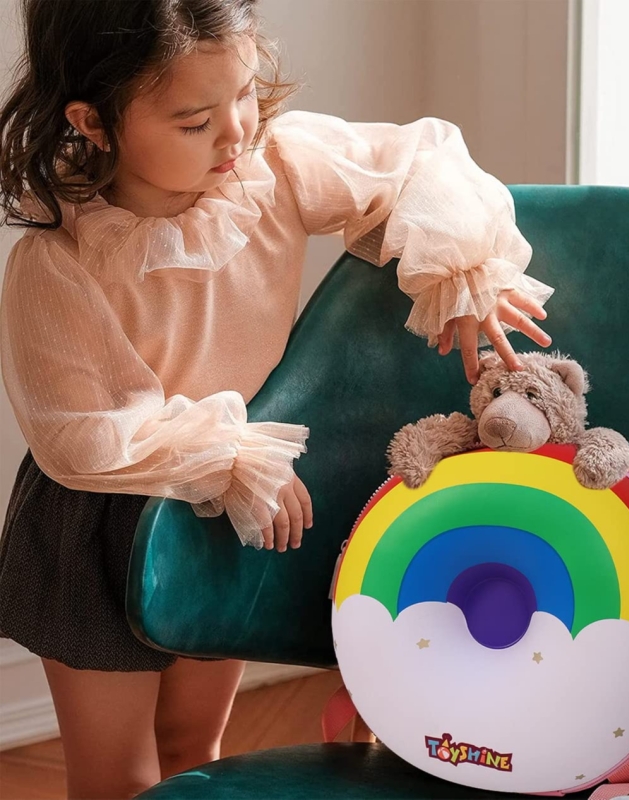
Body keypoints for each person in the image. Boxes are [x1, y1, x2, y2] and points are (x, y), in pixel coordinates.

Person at [0, 1, 553, 797]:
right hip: (101, 517)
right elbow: (82, 437)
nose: (235, 132)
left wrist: (460, 269)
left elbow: (420, 159)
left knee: (196, 746)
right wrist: (232, 455)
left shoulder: (275, 167)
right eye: (195, 121)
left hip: (232, 502)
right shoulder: (58, 262)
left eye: (243, 93)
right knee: (116, 776)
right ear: (93, 122)